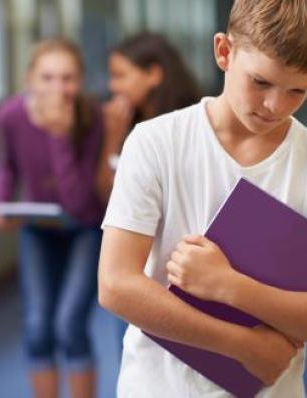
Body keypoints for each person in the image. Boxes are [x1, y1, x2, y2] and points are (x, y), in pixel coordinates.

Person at [98, 0, 307, 397]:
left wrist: (229, 286)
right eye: (260, 82)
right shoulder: (155, 142)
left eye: (297, 91)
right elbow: (116, 284)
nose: (274, 106)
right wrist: (242, 347)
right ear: (224, 52)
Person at [0, 38, 105, 398]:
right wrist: (0, 203)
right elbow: (6, 166)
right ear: (29, 80)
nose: (59, 88)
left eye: (68, 78)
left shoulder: (91, 117)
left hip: (83, 227)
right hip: (38, 229)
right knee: (38, 327)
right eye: (48, 77)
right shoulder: (10, 116)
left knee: (70, 325)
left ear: (81, 81)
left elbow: (78, 202)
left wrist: (59, 135)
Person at [97, 31, 200, 202]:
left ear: (153, 75)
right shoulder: (123, 122)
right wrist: (113, 137)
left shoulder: (187, 125)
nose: (113, 86)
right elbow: (107, 195)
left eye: (120, 75)